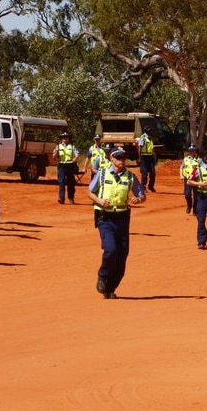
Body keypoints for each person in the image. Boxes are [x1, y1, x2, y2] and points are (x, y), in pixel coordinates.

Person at [88, 146, 146, 299]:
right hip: (105, 216)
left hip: (122, 216)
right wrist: (100, 201)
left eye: (123, 157)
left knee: (122, 254)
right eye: (118, 157)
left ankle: (110, 287)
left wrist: (138, 198)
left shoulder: (130, 176)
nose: (121, 160)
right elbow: (90, 192)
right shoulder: (102, 174)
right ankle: (102, 275)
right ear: (112, 159)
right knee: (111, 249)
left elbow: (141, 194)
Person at [53, 131, 79, 204]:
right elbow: (54, 157)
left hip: (70, 165)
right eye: (63, 137)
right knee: (61, 182)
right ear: (61, 139)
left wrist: (75, 159)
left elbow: (77, 154)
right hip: (61, 165)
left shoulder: (72, 146)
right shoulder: (58, 146)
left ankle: (71, 198)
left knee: (71, 183)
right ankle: (61, 198)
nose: (65, 139)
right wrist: (55, 153)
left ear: (68, 138)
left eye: (66, 137)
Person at [180, 145, 200, 214]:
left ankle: (195, 209)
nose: (191, 152)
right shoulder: (185, 159)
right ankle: (189, 205)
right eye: (190, 151)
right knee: (187, 194)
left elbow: (203, 168)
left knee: (196, 195)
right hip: (187, 179)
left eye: (193, 151)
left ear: (195, 151)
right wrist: (181, 175)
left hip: (196, 179)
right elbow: (181, 167)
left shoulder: (199, 160)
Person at [136, 126, 156, 192]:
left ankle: (151, 186)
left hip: (150, 157)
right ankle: (143, 187)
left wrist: (154, 156)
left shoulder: (150, 138)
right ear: (147, 131)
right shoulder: (143, 138)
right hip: (144, 157)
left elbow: (152, 148)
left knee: (152, 173)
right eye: (150, 130)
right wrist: (139, 158)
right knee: (144, 173)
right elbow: (139, 148)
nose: (152, 132)